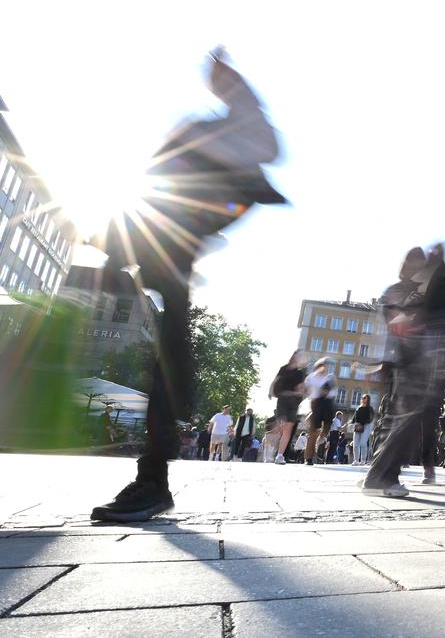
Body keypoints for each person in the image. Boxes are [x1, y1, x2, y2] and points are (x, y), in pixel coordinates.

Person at [89, 49, 285, 522]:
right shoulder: (198, 129)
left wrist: (236, 90)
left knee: (171, 338)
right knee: (169, 335)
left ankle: (153, 475)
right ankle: (154, 473)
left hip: (178, 230)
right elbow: (153, 178)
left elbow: (266, 147)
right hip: (165, 226)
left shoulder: (229, 127)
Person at [362, 245, 445, 498]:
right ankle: (380, 477)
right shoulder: (410, 292)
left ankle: (380, 473)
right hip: (412, 363)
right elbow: (396, 325)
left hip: (406, 364)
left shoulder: (404, 291)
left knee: (397, 421)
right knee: (405, 422)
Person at [269, 350, 307, 465]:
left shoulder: (300, 373)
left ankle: (280, 455)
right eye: (296, 356)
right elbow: (275, 381)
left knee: (288, 429)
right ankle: (272, 450)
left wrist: (303, 392)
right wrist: (270, 391)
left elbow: (300, 388)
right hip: (283, 400)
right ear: (293, 356)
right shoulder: (283, 369)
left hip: (293, 402)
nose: (298, 358)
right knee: (281, 427)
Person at [303, 359, 336, 466]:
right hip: (316, 404)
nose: (324, 368)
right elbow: (306, 390)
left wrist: (326, 392)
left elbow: (332, 392)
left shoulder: (329, 378)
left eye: (326, 366)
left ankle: (320, 439)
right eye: (322, 366)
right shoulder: (311, 377)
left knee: (326, 428)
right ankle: (308, 458)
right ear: (317, 367)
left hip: (328, 404)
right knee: (313, 431)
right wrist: (314, 392)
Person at [351, 394, 374, 465]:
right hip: (358, 426)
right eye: (362, 398)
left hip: (367, 425)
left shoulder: (370, 408)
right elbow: (354, 418)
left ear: (368, 399)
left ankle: (363, 460)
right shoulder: (358, 408)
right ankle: (356, 460)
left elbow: (370, 419)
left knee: (363, 443)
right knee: (355, 444)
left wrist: (362, 424)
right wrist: (352, 423)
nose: (363, 399)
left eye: (364, 398)